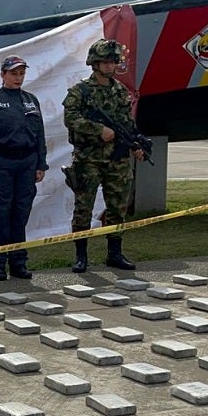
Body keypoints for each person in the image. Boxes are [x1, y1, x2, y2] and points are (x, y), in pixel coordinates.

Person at [62, 38, 143, 273]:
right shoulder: (80, 91)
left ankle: (114, 254)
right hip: (89, 159)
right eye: (105, 61)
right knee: (83, 209)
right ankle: (81, 256)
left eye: (113, 61)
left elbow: (127, 124)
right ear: (94, 63)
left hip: (117, 160)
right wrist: (99, 130)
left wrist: (136, 144)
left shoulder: (120, 91)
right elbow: (71, 119)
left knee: (118, 208)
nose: (110, 65)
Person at [0, 55, 47, 281]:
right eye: (13, 73)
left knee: (21, 213)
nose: (18, 78)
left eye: (21, 73)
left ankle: (18, 262)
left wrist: (41, 164)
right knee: (0, 214)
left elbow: (40, 135)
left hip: (27, 163)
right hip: (2, 163)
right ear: (3, 75)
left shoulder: (31, 100)